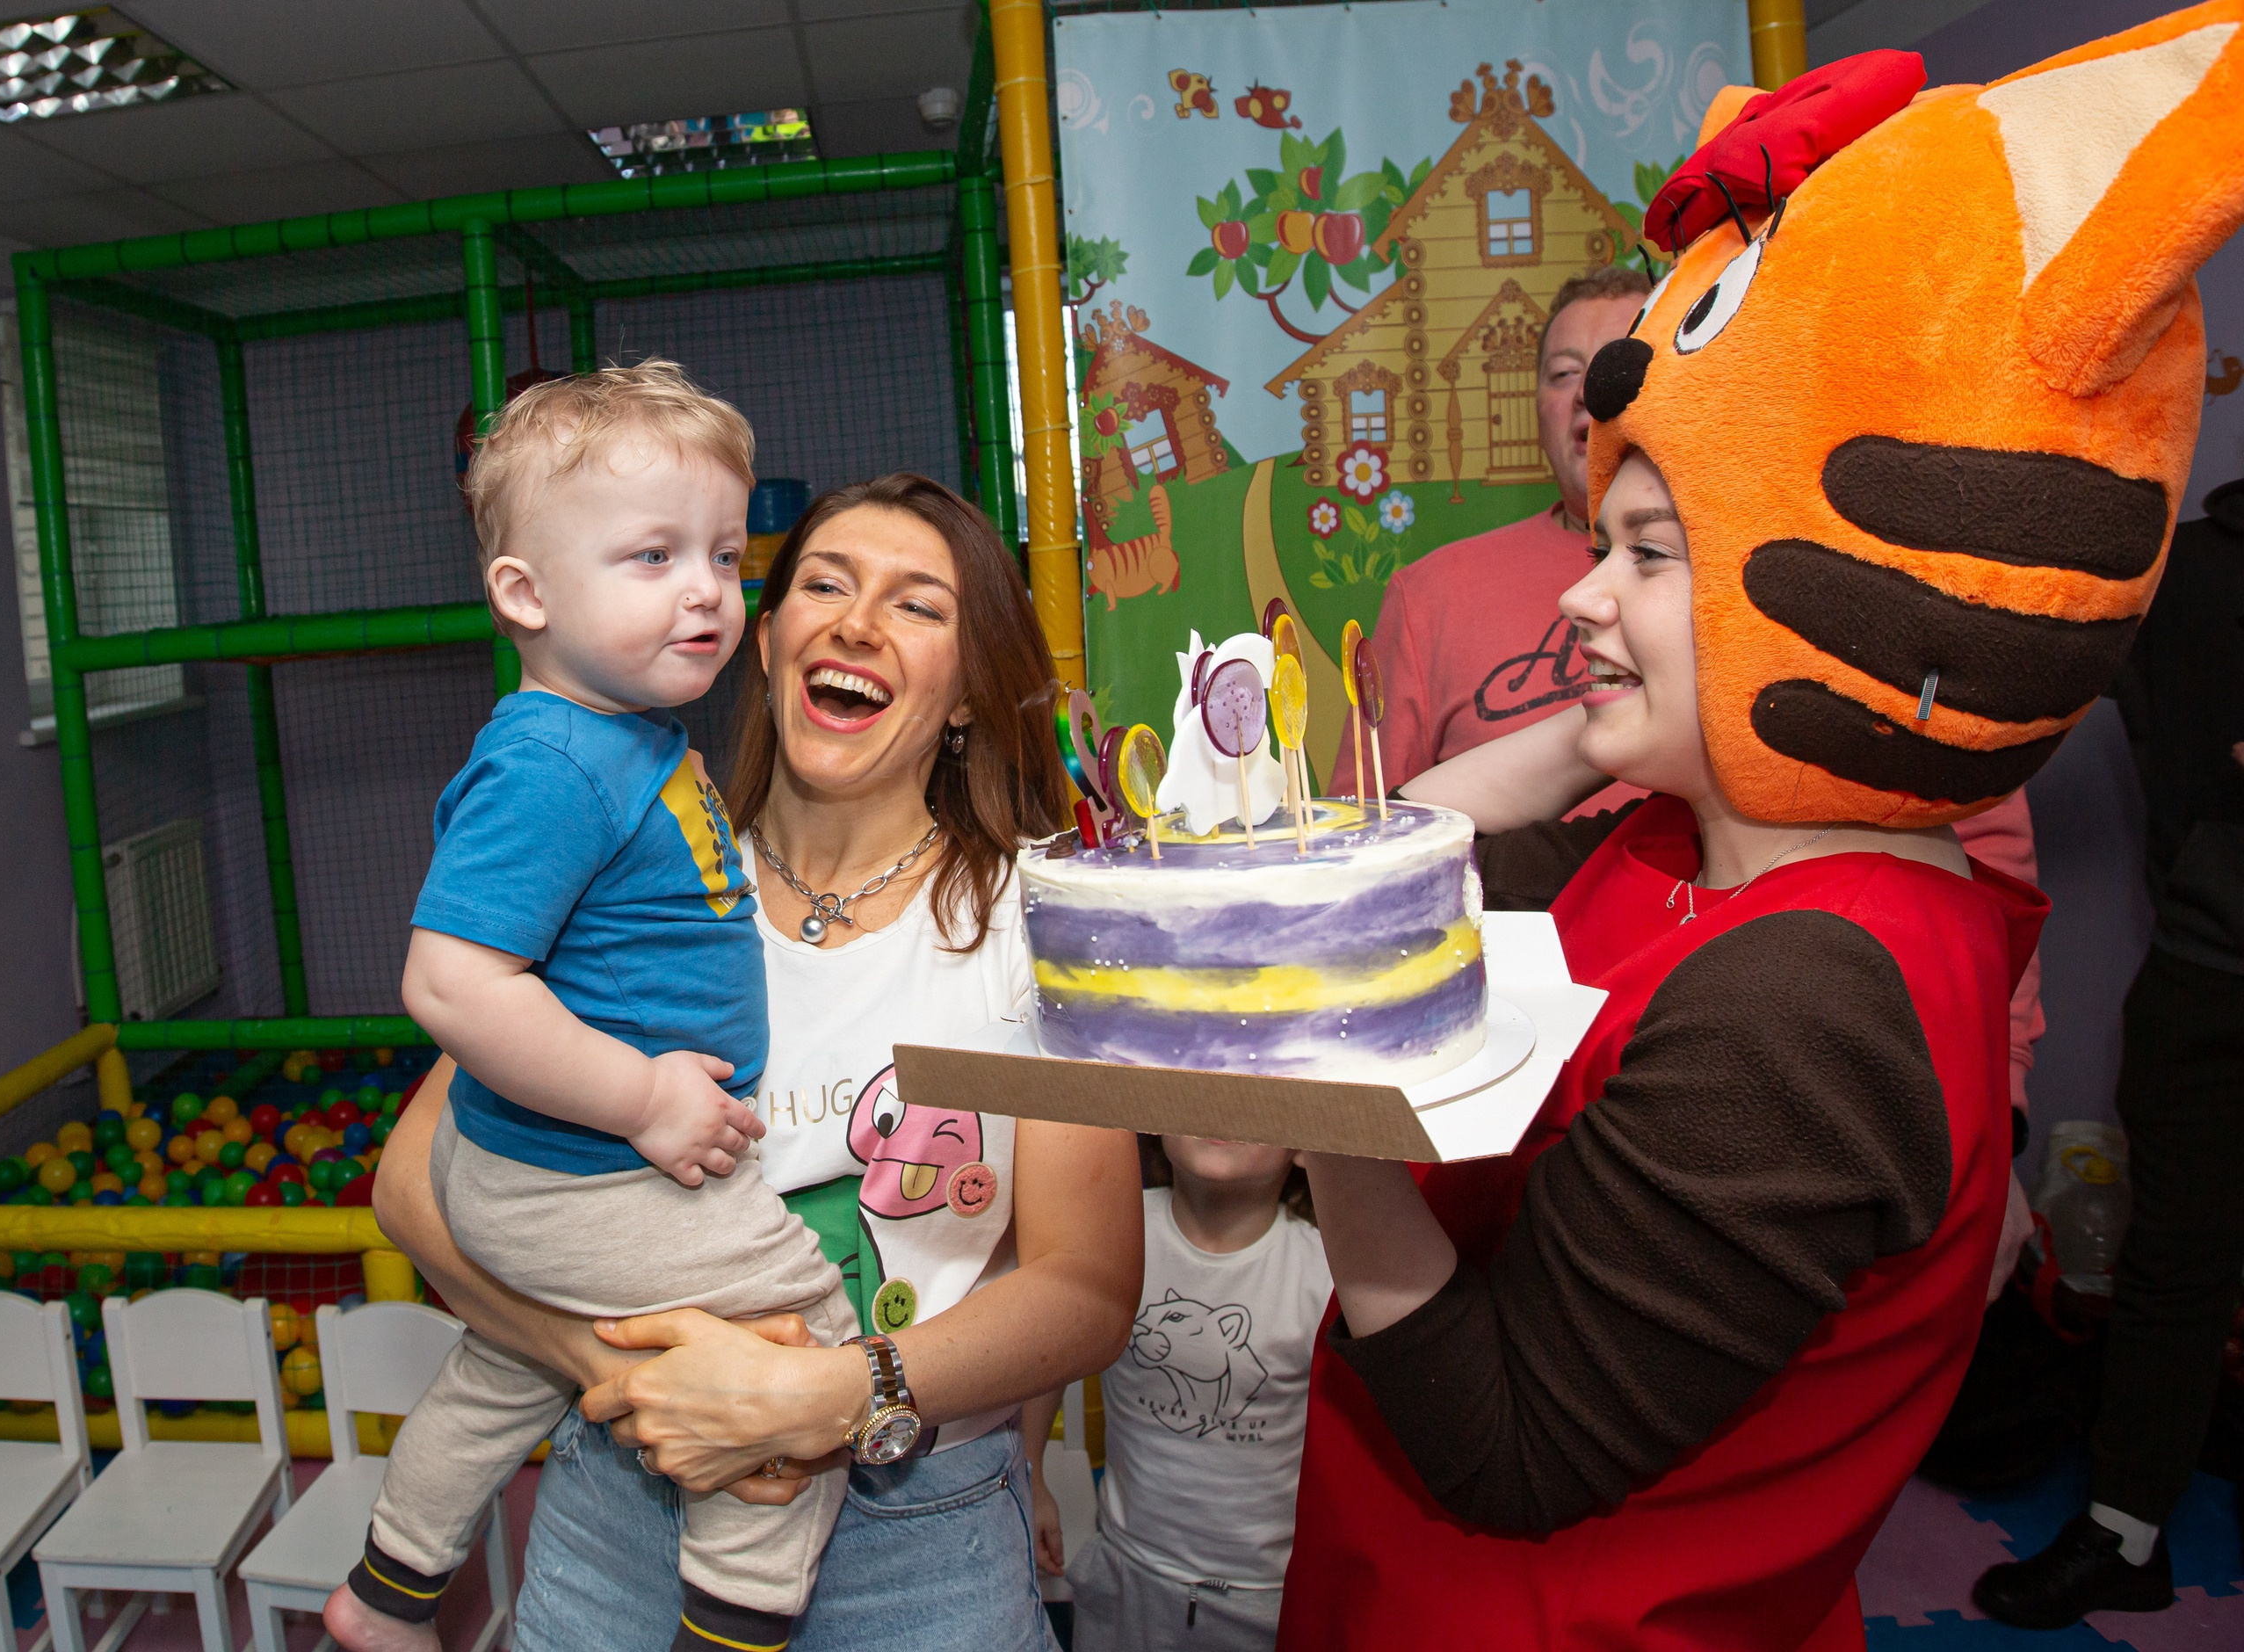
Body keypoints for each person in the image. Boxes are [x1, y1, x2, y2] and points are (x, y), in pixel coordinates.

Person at [1278, 10, 2241, 1638]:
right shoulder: (1685, 849)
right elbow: (1378, 886)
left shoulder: (1804, 1008)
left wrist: (1320, 1118)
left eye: (1653, 554)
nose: (1582, 594)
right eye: (1607, 542)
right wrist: (1603, 727)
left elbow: (1509, 1448)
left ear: (1852, 578)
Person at [372, 473, 1142, 1652]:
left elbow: (1084, 1289)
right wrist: (629, 1378)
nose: (857, 622)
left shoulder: (1038, 932)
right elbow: (414, 1180)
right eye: (825, 586)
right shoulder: (630, 876)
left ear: (964, 692)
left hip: (917, 1536)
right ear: (768, 641)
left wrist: (825, 1394)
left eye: (917, 605)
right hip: (620, 1509)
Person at [330, 362, 852, 1652]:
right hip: (587, 1173)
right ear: (526, 593)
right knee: (801, 1340)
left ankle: (389, 1590)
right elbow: (449, 981)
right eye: (652, 556)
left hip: (536, 1177)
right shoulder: (553, 763)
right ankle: (735, 1621)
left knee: (509, 1364)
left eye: (724, 556)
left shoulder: (620, 736)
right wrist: (644, 1098)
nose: (707, 590)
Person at [1973, 475, 2244, 1627]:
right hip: (2209, 967)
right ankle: (2126, 1530)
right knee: (2172, 1262)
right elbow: (2018, 671)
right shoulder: (2188, 568)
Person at [1326, 263, 1648, 806]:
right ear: (1535, 408)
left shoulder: (1727, 575)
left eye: (1614, 365)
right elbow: (1366, 829)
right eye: (1563, 373)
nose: (1585, 391)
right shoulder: (1430, 595)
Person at [1025, 1137, 1330, 1652]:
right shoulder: (1113, 1231)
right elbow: (1052, 1345)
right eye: (1201, 1093)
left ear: (1304, 1146)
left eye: (1253, 1100)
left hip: (1267, 1596)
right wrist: (1031, 1475)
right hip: (1125, 1577)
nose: (1221, 1111)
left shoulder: (1323, 1267)